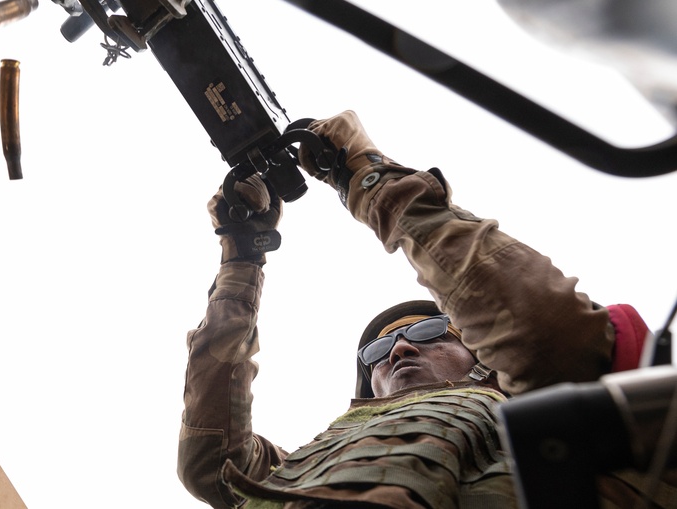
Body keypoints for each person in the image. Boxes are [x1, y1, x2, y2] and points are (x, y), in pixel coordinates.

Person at [177, 110, 662, 508]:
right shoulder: (302, 466)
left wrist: (366, 177)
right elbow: (211, 461)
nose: (400, 348)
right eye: (379, 349)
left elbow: (545, 333)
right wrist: (241, 258)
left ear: (481, 354)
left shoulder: (558, 416)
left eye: (431, 330)